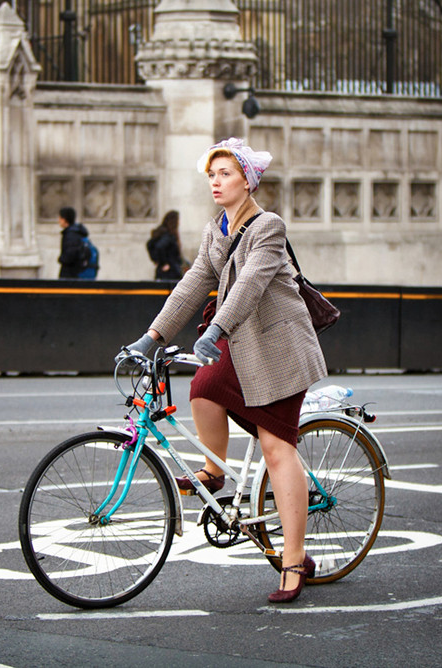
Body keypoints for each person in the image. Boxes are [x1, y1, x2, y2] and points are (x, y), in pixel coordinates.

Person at [120, 137, 327, 604]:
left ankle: (293, 559)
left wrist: (215, 329)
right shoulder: (215, 229)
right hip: (240, 343)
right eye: (211, 174)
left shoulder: (268, 226)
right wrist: (153, 336)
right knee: (203, 386)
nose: (216, 181)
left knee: (277, 449)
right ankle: (215, 471)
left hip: (279, 348)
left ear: (247, 180)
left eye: (226, 174)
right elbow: (194, 281)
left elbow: (252, 284)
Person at [147, 210, 185, 280]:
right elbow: (159, 247)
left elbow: (150, 244)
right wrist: (163, 263)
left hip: (166, 272)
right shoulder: (168, 236)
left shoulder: (163, 233)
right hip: (170, 273)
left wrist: (156, 260)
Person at [57, 206, 90, 279]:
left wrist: (61, 259)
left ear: (64, 219)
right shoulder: (76, 232)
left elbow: (70, 255)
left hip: (71, 275)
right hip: (76, 273)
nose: (58, 220)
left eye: (60, 218)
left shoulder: (71, 235)